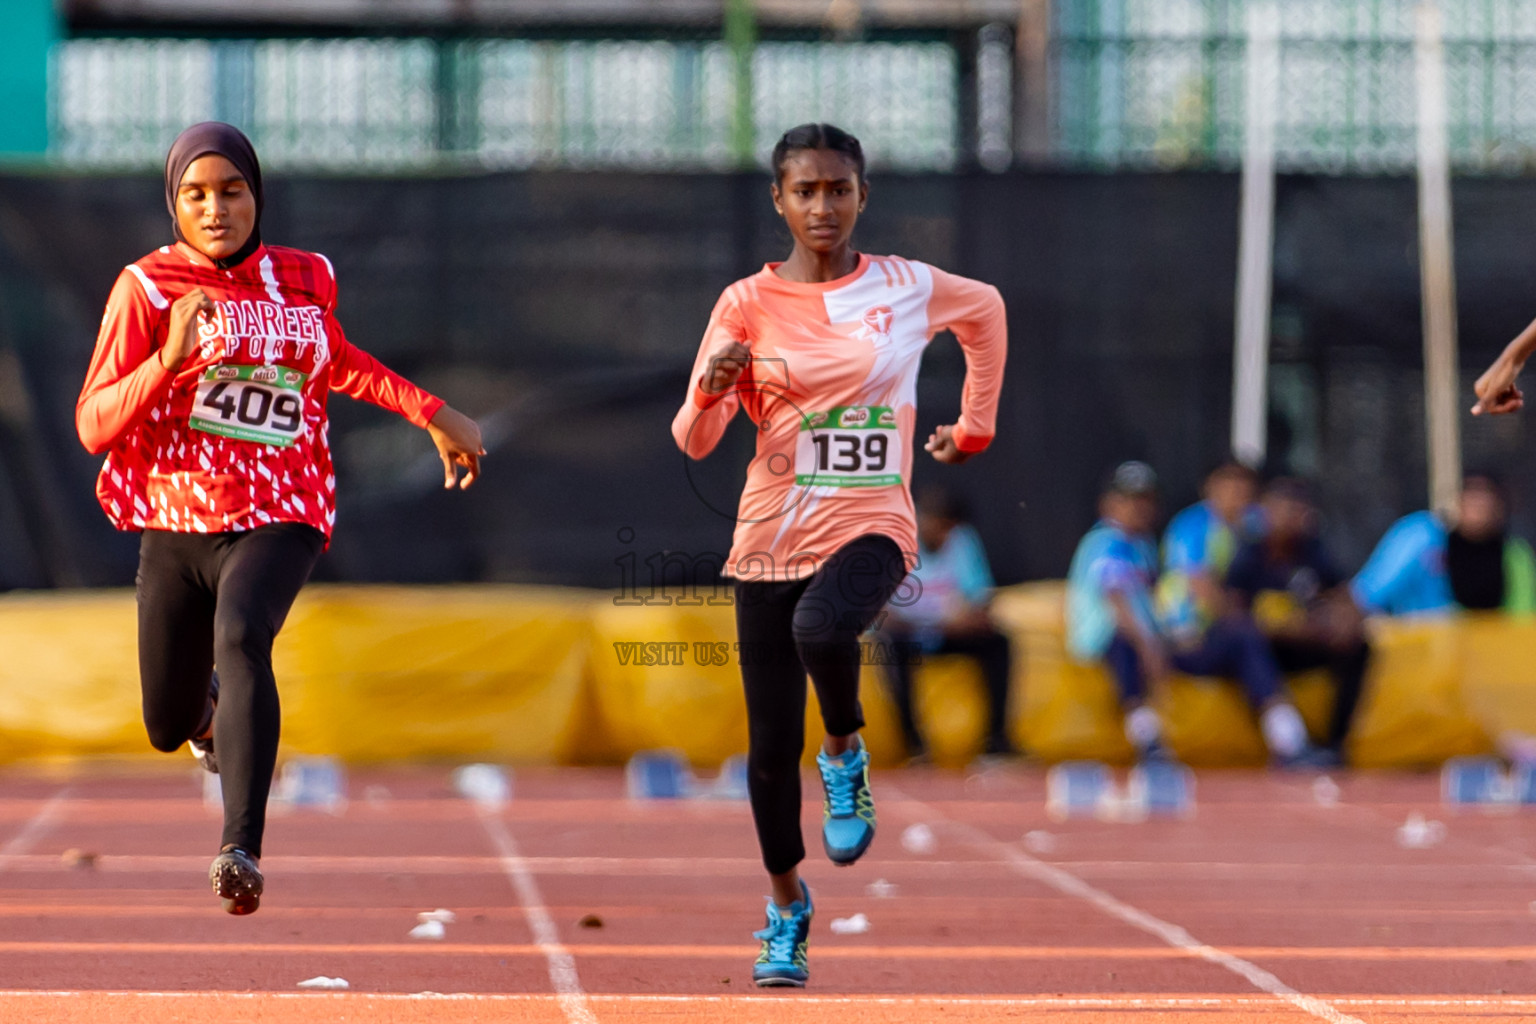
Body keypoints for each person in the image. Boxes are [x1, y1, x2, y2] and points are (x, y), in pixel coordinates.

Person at [75, 123, 484, 915]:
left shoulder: (305, 277)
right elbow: (94, 425)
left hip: (284, 505)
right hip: (178, 513)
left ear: (257, 195)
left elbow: (335, 360)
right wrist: (167, 357)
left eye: (232, 190)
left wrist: (429, 409)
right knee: (165, 721)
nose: (216, 207)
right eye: (196, 194)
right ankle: (206, 717)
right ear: (174, 204)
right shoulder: (147, 288)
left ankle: (241, 848)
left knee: (243, 633)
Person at [670, 123, 1006, 987]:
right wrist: (714, 385)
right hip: (769, 535)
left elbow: (987, 313)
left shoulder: (905, 286)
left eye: (839, 189)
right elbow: (695, 440)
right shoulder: (744, 303)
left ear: (863, 197)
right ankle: (786, 908)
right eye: (806, 191)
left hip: (874, 525)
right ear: (778, 201)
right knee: (770, 749)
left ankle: (848, 752)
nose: (823, 206)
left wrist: (973, 426)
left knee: (826, 631)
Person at [1065, 462, 1314, 766]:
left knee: (1244, 637)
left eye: (1145, 500)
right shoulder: (1107, 541)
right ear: (1108, 504)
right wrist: (1152, 646)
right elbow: (1118, 599)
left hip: (1168, 638)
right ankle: (1148, 739)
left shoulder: (1144, 545)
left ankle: (1288, 739)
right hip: (1115, 644)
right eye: (1129, 499)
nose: (1138, 508)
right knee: (1124, 642)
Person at [1226, 478, 1370, 766]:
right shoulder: (1250, 554)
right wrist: (1290, 627)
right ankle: (1288, 742)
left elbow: (1348, 599)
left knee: (1360, 647)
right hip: (1268, 649)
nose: (1291, 517)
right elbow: (1233, 615)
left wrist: (1344, 623)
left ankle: (1336, 743)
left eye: (1298, 510)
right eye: (1284, 509)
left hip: (1307, 643)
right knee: (1248, 643)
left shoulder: (1314, 551)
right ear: (1266, 511)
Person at [877, 486, 1017, 764]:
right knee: (889, 647)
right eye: (936, 526)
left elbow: (981, 600)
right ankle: (915, 745)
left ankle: (996, 740)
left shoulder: (962, 540)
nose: (942, 535)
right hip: (909, 636)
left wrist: (968, 619)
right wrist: (939, 621)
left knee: (998, 642)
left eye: (947, 529)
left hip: (949, 634)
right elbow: (881, 612)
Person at [1351, 474, 1536, 617]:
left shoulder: (1514, 556)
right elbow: (1368, 593)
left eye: (1484, 500)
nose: (1478, 508)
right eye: (1472, 497)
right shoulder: (1424, 538)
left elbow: (1522, 620)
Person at [1155, 460, 1260, 647]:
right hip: (1187, 628)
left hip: (1221, 622)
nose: (1240, 490)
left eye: (1245, 483)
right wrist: (1243, 620)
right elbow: (1200, 583)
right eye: (1232, 484)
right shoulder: (1193, 525)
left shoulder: (1252, 523)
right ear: (1211, 487)